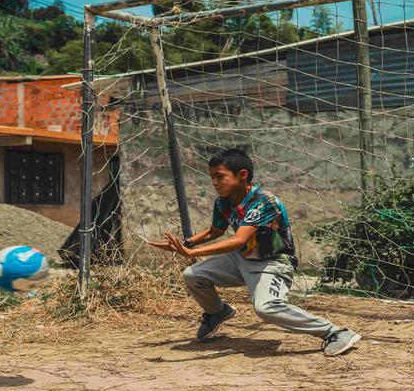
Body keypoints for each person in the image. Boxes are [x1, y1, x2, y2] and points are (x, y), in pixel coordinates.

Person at [148, 147, 361, 356]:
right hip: (241, 258)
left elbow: (238, 239)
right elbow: (216, 230)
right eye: (212, 177)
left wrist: (191, 253)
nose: (214, 182)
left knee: (266, 308)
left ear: (242, 175)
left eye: (220, 176)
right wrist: (186, 243)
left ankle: (335, 332)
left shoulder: (263, 202)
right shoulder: (224, 201)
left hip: (273, 263)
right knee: (193, 275)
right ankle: (217, 312)